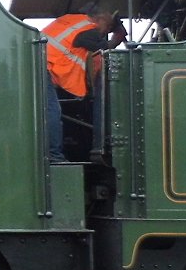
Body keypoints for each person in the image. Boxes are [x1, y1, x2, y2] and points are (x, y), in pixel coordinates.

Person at [41, 11, 126, 163]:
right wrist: (117, 38)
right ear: (100, 18)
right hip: (41, 67)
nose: (104, 32)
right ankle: (54, 157)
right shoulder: (87, 29)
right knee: (53, 111)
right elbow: (105, 48)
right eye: (106, 28)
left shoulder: (73, 20)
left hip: (40, 63)